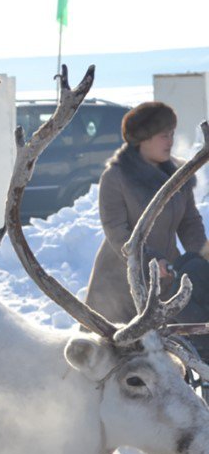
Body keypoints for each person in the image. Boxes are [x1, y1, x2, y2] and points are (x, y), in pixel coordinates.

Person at [85, 101, 209, 326]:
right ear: (144, 138)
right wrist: (150, 259)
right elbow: (117, 232)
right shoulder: (116, 177)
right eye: (164, 135)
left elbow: (189, 222)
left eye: (172, 134)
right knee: (121, 353)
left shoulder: (179, 173)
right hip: (121, 280)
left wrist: (202, 255)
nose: (171, 141)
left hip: (166, 276)